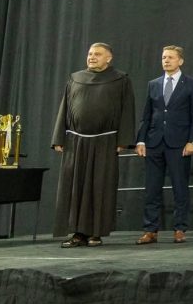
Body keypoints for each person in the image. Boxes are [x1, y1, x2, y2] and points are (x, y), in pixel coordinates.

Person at [50, 42, 136, 247]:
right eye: (90, 54)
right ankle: (77, 233)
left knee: (100, 187)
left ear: (108, 58)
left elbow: (127, 110)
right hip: (76, 142)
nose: (92, 57)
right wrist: (58, 138)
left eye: (97, 54)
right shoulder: (75, 78)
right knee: (75, 188)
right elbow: (64, 108)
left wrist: (123, 140)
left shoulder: (120, 80)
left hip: (105, 142)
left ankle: (96, 233)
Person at [135, 45, 193, 244]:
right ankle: (150, 230)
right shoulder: (153, 84)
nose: (166, 60)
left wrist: (192, 141)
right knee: (152, 188)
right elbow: (147, 115)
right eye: (164, 57)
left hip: (179, 143)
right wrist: (141, 139)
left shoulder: (192, 84)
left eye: (171, 57)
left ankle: (180, 228)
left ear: (180, 61)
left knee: (180, 187)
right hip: (154, 142)